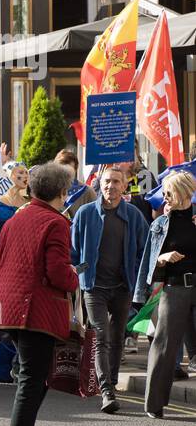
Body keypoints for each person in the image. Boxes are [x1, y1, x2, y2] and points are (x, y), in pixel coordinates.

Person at [0, 163, 79, 426]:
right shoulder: (56, 222)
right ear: (61, 192)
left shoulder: (17, 218)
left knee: (33, 381)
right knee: (32, 382)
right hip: (36, 311)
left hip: (11, 308)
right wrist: (74, 278)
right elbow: (58, 271)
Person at [70, 166, 149, 413]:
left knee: (117, 338)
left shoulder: (134, 215)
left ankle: (112, 383)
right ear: (99, 184)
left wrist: (135, 276)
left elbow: (144, 251)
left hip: (122, 286)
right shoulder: (84, 214)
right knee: (101, 336)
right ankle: (106, 390)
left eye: (116, 182)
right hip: (94, 287)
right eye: (106, 181)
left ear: (124, 186)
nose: (110, 186)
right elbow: (74, 252)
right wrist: (82, 273)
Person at [134, 171, 196, 418]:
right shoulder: (159, 224)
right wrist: (163, 258)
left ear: (183, 193)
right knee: (165, 346)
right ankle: (154, 404)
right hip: (174, 288)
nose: (165, 198)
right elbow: (149, 262)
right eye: (164, 193)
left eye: (169, 193)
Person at [55, 149, 96, 218]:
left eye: (69, 170)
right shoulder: (48, 191)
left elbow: (94, 219)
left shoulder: (87, 192)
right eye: (61, 169)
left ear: (75, 169)